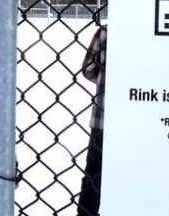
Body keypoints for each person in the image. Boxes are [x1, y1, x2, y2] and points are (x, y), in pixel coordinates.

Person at [76, 26, 106, 216]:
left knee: (94, 175)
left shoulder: (106, 32)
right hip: (142, 120)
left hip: (104, 119)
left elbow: (88, 69)